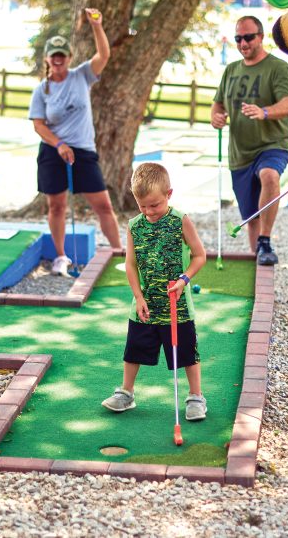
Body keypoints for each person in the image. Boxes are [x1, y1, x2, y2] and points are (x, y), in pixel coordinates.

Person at [101, 162, 208, 421]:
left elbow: (199, 255)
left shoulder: (180, 221)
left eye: (155, 205)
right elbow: (130, 263)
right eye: (143, 205)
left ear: (169, 194)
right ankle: (126, 393)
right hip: (145, 304)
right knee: (134, 350)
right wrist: (138, 297)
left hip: (177, 305)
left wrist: (183, 279)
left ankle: (196, 397)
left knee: (186, 354)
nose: (149, 211)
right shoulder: (134, 225)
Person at [29, 8, 121, 277]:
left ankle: (119, 253)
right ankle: (60, 257)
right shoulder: (42, 90)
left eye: (62, 55)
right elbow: (38, 125)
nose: (58, 60)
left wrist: (97, 25)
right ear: (47, 58)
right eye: (53, 56)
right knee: (56, 206)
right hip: (52, 152)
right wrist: (58, 144)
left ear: (69, 57)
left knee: (103, 205)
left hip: (83, 151)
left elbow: (104, 55)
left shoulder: (82, 75)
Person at [210, 15, 288, 265]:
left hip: (273, 143)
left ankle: (265, 241)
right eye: (238, 38)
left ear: (260, 37)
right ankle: (258, 261)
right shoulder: (231, 70)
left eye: (248, 37)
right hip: (240, 152)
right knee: (250, 217)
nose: (243, 43)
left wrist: (265, 112)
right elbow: (217, 104)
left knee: (269, 175)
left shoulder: (278, 68)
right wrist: (216, 117)